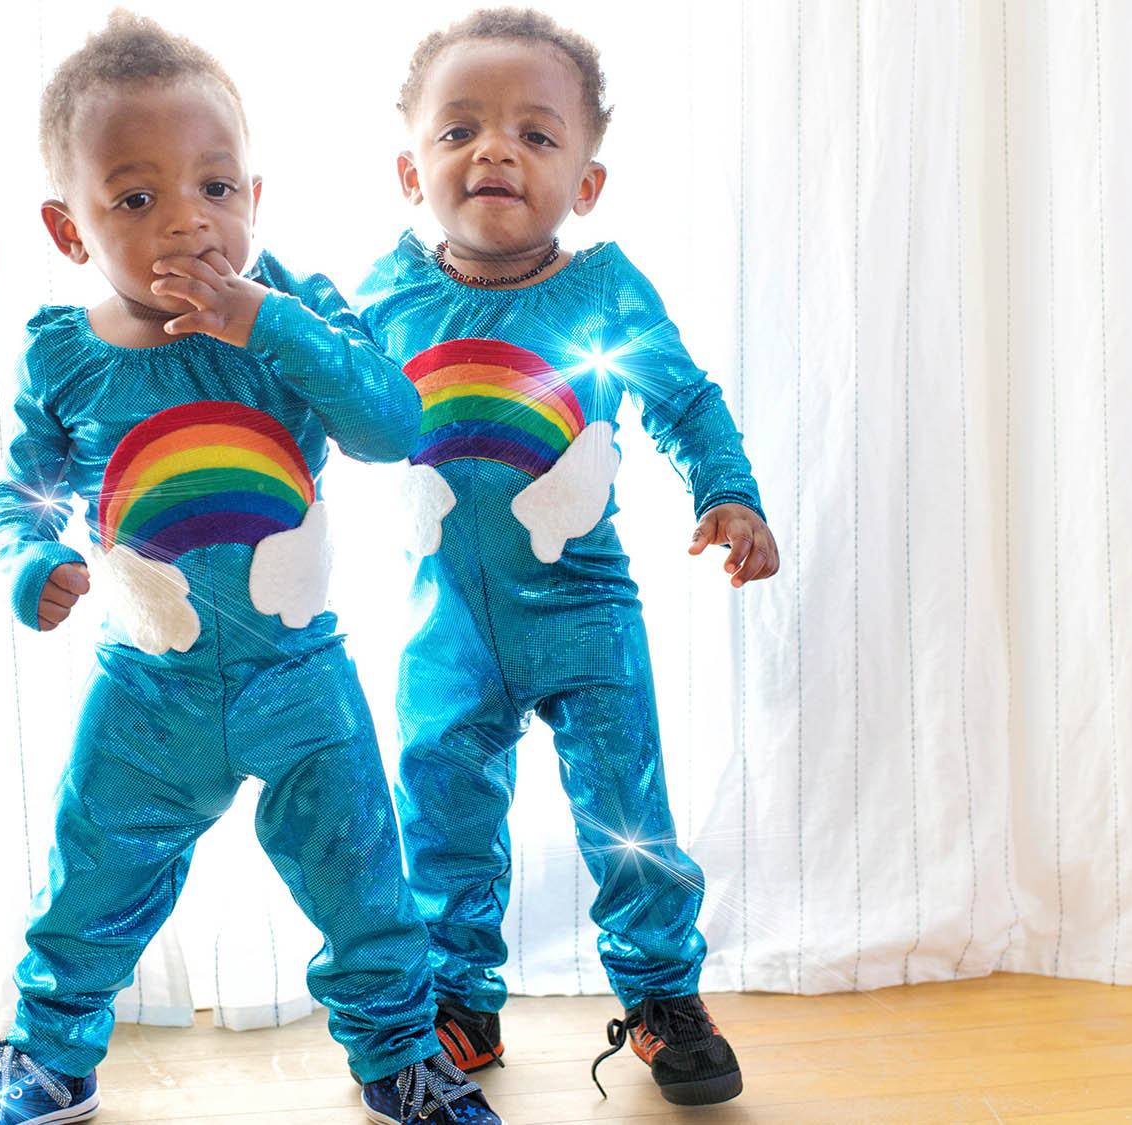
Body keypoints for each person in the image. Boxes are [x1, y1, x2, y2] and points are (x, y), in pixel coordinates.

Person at [0, 12, 504, 1125]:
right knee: (91, 878)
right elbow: (20, 491)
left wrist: (271, 326)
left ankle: (399, 1058)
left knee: (362, 882)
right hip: (149, 693)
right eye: (136, 200)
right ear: (67, 225)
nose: (188, 222)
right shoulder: (66, 354)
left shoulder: (298, 314)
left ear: (253, 195)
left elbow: (393, 424)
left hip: (302, 685)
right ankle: (50, 1060)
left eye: (217, 188)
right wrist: (29, 557)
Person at [355, 7, 781, 1107]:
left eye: (535, 136)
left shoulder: (603, 291)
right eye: (460, 130)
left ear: (584, 185)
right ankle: (457, 1002)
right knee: (439, 808)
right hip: (443, 619)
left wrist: (727, 493)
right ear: (412, 168)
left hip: (583, 614)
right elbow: (312, 397)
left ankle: (658, 996)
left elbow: (683, 399)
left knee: (622, 812)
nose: (493, 149)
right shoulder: (381, 297)